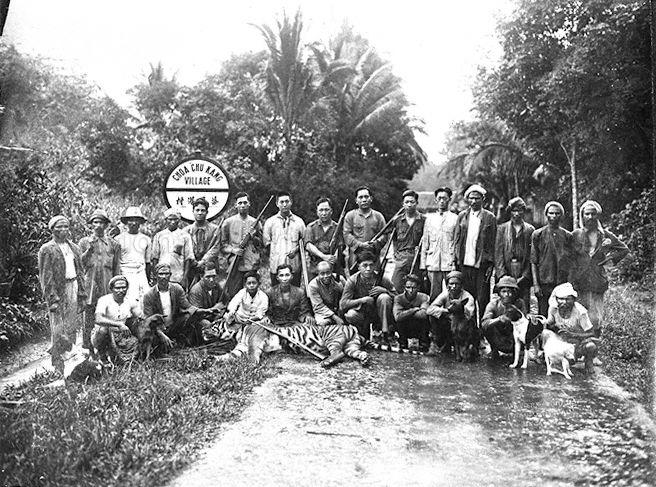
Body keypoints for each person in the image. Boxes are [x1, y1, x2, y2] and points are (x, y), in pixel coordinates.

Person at [569, 200, 629, 336]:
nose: (590, 217)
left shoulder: (605, 235)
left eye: (593, 214)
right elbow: (568, 258)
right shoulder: (575, 235)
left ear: (598, 216)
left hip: (597, 280)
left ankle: (594, 350)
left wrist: (610, 260)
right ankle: (581, 348)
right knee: (580, 314)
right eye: (587, 214)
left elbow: (623, 250)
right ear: (582, 215)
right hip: (580, 282)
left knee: (596, 317)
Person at [38, 215, 87, 374]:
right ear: (52, 229)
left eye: (66, 226)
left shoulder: (74, 247)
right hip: (58, 290)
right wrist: (52, 297)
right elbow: (46, 275)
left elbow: (80, 271)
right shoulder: (47, 248)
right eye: (59, 227)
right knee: (58, 329)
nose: (63, 230)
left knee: (71, 325)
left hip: (73, 285)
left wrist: (82, 293)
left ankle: (71, 363)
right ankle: (58, 364)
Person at [142, 263, 218, 347]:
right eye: (161, 274)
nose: (164, 277)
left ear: (170, 275)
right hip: (158, 329)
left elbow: (188, 307)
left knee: (188, 316)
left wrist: (204, 311)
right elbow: (149, 320)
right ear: (156, 275)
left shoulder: (176, 289)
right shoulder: (149, 295)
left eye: (166, 274)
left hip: (173, 326)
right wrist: (161, 334)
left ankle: (182, 340)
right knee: (153, 343)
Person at [78, 209, 120, 354]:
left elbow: (116, 267)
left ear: (106, 225)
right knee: (89, 315)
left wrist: (117, 287)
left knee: (107, 314)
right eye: (95, 222)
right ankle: (88, 348)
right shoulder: (84, 242)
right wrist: (89, 250)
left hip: (107, 284)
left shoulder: (113, 244)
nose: (98, 225)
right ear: (91, 225)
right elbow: (80, 264)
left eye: (101, 222)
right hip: (90, 284)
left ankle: (107, 347)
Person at [453, 184, 497, 319]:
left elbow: (493, 242)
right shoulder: (462, 216)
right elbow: (456, 239)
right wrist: (456, 260)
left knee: (482, 298)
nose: (473, 201)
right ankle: (470, 328)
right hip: (465, 264)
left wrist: (491, 264)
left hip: (481, 265)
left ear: (483, 199)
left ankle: (484, 328)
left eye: (477, 198)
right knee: (467, 297)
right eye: (471, 198)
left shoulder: (489, 217)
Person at [340, 250, 395, 342]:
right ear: (358, 267)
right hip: (362, 313)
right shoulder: (352, 281)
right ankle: (361, 333)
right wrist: (362, 300)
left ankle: (385, 331)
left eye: (371, 265)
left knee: (384, 297)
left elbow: (397, 297)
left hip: (379, 314)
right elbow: (343, 304)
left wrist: (385, 291)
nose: (368, 269)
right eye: (365, 265)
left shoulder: (382, 279)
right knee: (351, 315)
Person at [544, 282, 599, 374]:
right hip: (562, 343)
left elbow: (592, 333)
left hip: (577, 343)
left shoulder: (580, 312)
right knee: (545, 333)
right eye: (561, 299)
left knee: (591, 346)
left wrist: (573, 334)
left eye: (568, 299)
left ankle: (588, 362)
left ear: (573, 299)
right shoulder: (553, 309)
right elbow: (549, 324)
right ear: (556, 299)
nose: (564, 302)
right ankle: (551, 357)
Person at [530, 201, 573, 316]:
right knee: (543, 314)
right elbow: (534, 261)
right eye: (551, 213)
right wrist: (536, 284)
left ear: (561, 215)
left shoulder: (567, 236)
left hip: (561, 282)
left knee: (560, 314)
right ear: (546, 214)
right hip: (544, 282)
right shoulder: (537, 234)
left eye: (557, 213)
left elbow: (571, 262)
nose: (553, 216)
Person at [220, 192, 263, 299]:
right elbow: (222, 245)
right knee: (233, 293)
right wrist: (233, 250)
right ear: (236, 205)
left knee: (251, 292)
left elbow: (261, 244)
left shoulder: (255, 222)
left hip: (251, 263)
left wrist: (253, 237)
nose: (242, 205)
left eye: (245, 202)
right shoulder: (228, 222)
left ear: (249, 204)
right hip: (234, 264)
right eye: (240, 203)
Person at [92, 275, 143, 365]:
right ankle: (102, 357)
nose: (121, 290)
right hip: (104, 334)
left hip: (121, 334)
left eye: (124, 287)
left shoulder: (130, 300)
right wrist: (119, 324)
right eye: (117, 288)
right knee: (103, 330)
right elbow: (98, 319)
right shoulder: (104, 300)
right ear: (111, 289)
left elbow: (140, 316)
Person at [494, 197, 535, 306]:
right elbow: (498, 255)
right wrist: (503, 276)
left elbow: (532, 255)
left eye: (519, 210)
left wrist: (525, 275)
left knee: (523, 305)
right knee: (506, 305)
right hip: (507, 270)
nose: (516, 214)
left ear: (524, 211)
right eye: (514, 211)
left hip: (522, 271)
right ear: (510, 212)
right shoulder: (502, 229)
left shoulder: (530, 230)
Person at [420, 187, 457, 300]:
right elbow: (425, 242)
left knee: (452, 294)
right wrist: (423, 264)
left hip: (449, 263)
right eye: (439, 198)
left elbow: (457, 242)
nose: (441, 201)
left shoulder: (455, 219)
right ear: (435, 200)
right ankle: (434, 317)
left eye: (444, 198)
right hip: (433, 263)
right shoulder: (430, 219)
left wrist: (455, 263)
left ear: (449, 200)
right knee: (434, 295)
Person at [425, 270, 475, 355]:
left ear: (461, 285)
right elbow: (430, 309)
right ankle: (439, 343)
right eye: (451, 284)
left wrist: (458, 310)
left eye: (457, 284)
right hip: (449, 324)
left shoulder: (467, 297)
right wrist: (446, 311)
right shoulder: (445, 294)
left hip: (462, 328)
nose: (453, 287)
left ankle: (464, 348)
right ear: (447, 285)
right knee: (432, 316)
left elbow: (469, 314)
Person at [263, 191, 306, 287]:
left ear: (291, 202)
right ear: (277, 204)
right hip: (276, 265)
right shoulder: (270, 222)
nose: (284, 204)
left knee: (295, 292)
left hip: (294, 265)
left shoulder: (299, 222)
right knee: (276, 293)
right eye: (281, 202)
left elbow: (305, 241)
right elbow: (266, 244)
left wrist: (296, 250)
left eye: (287, 201)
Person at [481, 276, 528, 359]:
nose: (507, 295)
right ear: (499, 293)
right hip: (498, 338)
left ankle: (517, 352)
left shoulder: (520, 303)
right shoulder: (493, 304)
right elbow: (484, 323)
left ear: (514, 293)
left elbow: (524, 323)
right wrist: (498, 319)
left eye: (510, 292)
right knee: (487, 327)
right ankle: (494, 350)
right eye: (504, 291)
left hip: (513, 337)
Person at [343, 186, 387, 269]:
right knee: (355, 279)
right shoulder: (350, 216)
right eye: (360, 197)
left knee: (374, 279)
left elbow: (385, 235)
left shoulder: (378, 216)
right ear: (356, 200)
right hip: (355, 257)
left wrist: (374, 244)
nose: (364, 200)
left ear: (371, 199)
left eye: (366, 197)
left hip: (373, 256)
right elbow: (346, 234)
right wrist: (360, 245)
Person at [115, 206, 151, 305]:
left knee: (144, 302)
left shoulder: (146, 239)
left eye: (136, 220)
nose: (134, 223)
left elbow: (147, 262)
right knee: (127, 303)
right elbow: (116, 262)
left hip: (140, 274)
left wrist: (147, 279)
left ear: (140, 222)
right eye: (130, 220)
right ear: (126, 222)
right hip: (125, 273)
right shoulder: (118, 239)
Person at [391, 190, 425, 292]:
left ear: (417, 203)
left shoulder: (424, 220)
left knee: (416, 289)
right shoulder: (397, 220)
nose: (409, 205)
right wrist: (396, 253)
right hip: (401, 259)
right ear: (403, 204)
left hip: (417, 259)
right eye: (407, 202)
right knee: (396, 286)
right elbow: (394, 239)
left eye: (412, 202)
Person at [151, 208, 194, 289]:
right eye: (170, 219)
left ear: (179, 220)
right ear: (166, 220)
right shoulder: (159, 235)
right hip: (162, 274)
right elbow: (155, 257)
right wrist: (155, 276)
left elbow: (188, 258)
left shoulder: (185, 236)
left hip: (178, 275)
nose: (173, 222)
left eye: (175, 219)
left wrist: (184, 277)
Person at [184, 197, 222, 286]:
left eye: (203, 210)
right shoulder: (186, 231)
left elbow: (215, 248)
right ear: (193, 211)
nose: (200, 213)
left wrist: (203, 261)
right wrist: (193, 261)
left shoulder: (215, 230)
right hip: (191, 267)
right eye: (197, 210)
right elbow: (186, 249)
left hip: (209, 267)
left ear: (207, 212)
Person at [393, 274, 430, 351]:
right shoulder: (398, 298)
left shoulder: (424, 297)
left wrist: (405, 313)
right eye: (408, 287)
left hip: (418, 327)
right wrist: (414, 310)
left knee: (425, 320)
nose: (411, 290)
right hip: (404, 327)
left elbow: (423, 314)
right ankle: (403, 342)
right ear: (404, 288)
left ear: (418, 288)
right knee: (399, 321)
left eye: (414, 288)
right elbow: (397, 317)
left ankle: (423, 343)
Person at [305, 197, 339, 280]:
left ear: (331, 211)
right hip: (315, 267)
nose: (324, 213)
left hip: (333, 267)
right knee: (311, 290)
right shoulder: (311, 227)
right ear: (317, 212)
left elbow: (340, 246)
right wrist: (323, 256)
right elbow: (308, 245)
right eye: (321, 210)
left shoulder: (337, 227)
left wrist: (334, 258)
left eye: (326, 210)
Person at [307, 261, 346, 326]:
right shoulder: (313, 285)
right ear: (318, 274)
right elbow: (318, 306)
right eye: (322, 274)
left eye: (328, 273)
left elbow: (348, 296)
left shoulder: (339, 279)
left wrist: (341, 289)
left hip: (340, 310)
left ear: (331, 271)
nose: (326, 276)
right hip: (323, 312)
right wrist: (336, 318)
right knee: (322, 322)